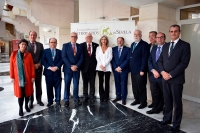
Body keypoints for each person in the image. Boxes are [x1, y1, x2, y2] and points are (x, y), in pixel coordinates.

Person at [158, 24, 191, 132]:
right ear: (169, 33)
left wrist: (170, 74)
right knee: (167, 100)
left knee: (177, 102)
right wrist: (163, 72)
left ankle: (176, 124)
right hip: (164, 78)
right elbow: (160, 61)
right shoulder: (166, 45)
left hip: (176, 79)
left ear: (179, 32)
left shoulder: (185, 45)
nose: (173, 33)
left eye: (175, 31)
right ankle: (167, 119)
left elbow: (184, 63)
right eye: (171, 31)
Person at [10, 39, 35, 116]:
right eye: (22, 44)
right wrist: (12, 77)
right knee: (20, 94)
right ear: (19, 45)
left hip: (27, 77)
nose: (23, 46)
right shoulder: (14, 54)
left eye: (25, 45)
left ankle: (26, 106)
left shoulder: (28, 55)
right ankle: (20, 108)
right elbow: (11, 66)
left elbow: (32, 66)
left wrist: (33, 76)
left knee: (27, 93)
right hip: (18, 79)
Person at [62, 32, 83, 107]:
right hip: (68, 69)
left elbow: (81, 57)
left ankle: (76, 98)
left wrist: (76, 66)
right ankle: (66, 100)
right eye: (72, 36)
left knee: (76, 84)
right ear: (70, 37)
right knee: (67, 85)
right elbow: (64, 57)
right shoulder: (65, 45)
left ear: (77, 38)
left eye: (75, 36)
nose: (73, 38)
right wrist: (71, 66)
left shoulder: (80, 46)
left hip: (76, 69)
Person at [129, 30, 149, 109]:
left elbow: (145, 58)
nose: (136, 36)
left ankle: (143, 102)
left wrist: (142, 70)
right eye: (135, 34)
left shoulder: (144, 44)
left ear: (141, 35)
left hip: (140, 70)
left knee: (141, 86)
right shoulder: (132, 44)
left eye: (137, 34)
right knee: (135, 86)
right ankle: (137, 99)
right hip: (133, 69)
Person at [147, 32, 165, 114]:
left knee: (164, 94)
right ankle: (155, 108)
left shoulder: (167, 47)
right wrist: (153, 70)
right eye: (158, 37)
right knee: (155, 93)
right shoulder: (154, 48)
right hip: (153, 75)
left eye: (161, 37)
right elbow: (149, 60)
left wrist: (160, 71)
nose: (159, 39)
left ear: (164, 38)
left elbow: (169, 62)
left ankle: (164, 109)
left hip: (163, 75)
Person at [41, 38, 63, 107]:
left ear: (56, 43)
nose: (53, 43)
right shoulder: (45, 51)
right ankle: (50, 101)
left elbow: (62, 60)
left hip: (57, 72)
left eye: (54, 42)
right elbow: (43, 60)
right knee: (49, 87)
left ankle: (57, 100)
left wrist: (56, 67)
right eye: (51, 42)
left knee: (58, 87)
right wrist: (50, 67)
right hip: (48, 73)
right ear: (49, 43)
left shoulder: (60, 51)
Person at [27, 31, 44, 108]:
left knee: (38, 84)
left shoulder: (40, 45)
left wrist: (39, 64)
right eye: (31, 35)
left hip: (38, 68)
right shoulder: (25, 45)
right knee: (30, 85)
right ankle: (31, 101)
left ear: (36, 36)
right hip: (29, 69)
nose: (32, 36)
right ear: (29, 36)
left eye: (34, 35)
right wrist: (32, 65)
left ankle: (39, 100)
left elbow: (42, 56)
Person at [81, 33, 99, 102]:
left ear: (92, 38)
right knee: (85, 82)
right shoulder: (81, 45)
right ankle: (85, 95)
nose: (88, 38)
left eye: (90, 37)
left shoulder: (96, 45)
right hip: (84, 67)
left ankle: (92, 95)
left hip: (93, 67)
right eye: (87, 37)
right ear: (85, 38)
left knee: (92, 82)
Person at [111, 37, 130, 105]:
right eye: (118, 41)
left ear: (123, 41)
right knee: (117, 83)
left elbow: (128, 59)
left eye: (121, 41)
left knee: (124, 84)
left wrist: (121, 67)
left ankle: (123, 98)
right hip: (116, 70)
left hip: (124, 70)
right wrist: (116, 68)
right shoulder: (113, 49)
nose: (119, 42)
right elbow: (112, 59)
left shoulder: (127, 49)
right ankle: (118, 96)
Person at [96, 35, 112, 102]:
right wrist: (101, 66)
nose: (103, 40)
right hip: (100, 67)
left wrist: (104, 65)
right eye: (102, 39)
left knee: (106, 82)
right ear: (101, 40)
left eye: (105, 39)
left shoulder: (110, 48)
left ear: (107, 40)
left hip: (107, 67)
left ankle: (106, 97)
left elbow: (110, 57)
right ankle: (101, 96)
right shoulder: (98, 48)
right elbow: (97, 57)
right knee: (100, 82)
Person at [148, 31, 157, 108]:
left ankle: (160, 105)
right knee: (153, 89)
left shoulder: (161, 46)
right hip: (150, 71)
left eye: (153, 36)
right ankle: (154, 103)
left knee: (160, 90)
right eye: (150, 36)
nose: (151, 38)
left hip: (158, 72)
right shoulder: (149, 46)